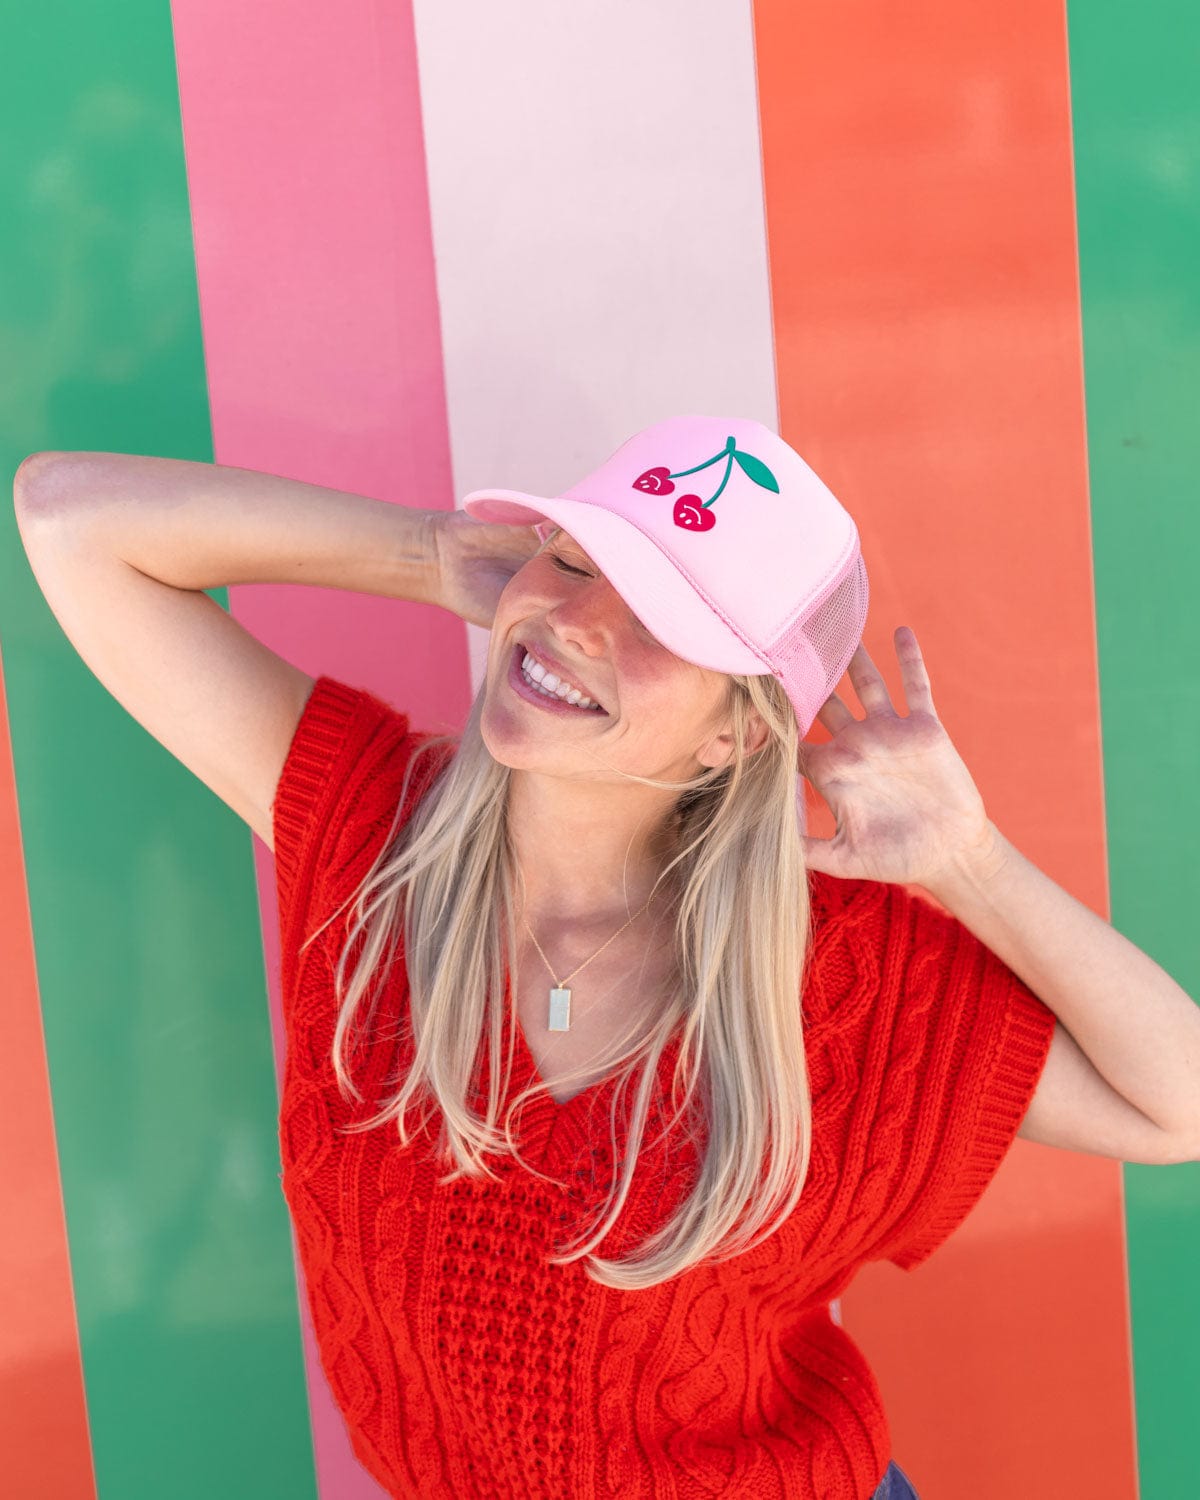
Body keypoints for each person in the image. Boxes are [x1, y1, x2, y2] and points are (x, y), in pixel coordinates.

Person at [19, 414, 1196, 1498]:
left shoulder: (831, 980)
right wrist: (437, 557)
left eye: (663, 623)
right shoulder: (371, 841)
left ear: (737, 731)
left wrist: (967, 862)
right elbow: (70, 519)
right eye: (577, 560)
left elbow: (1174, 1105)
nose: (578, 621)